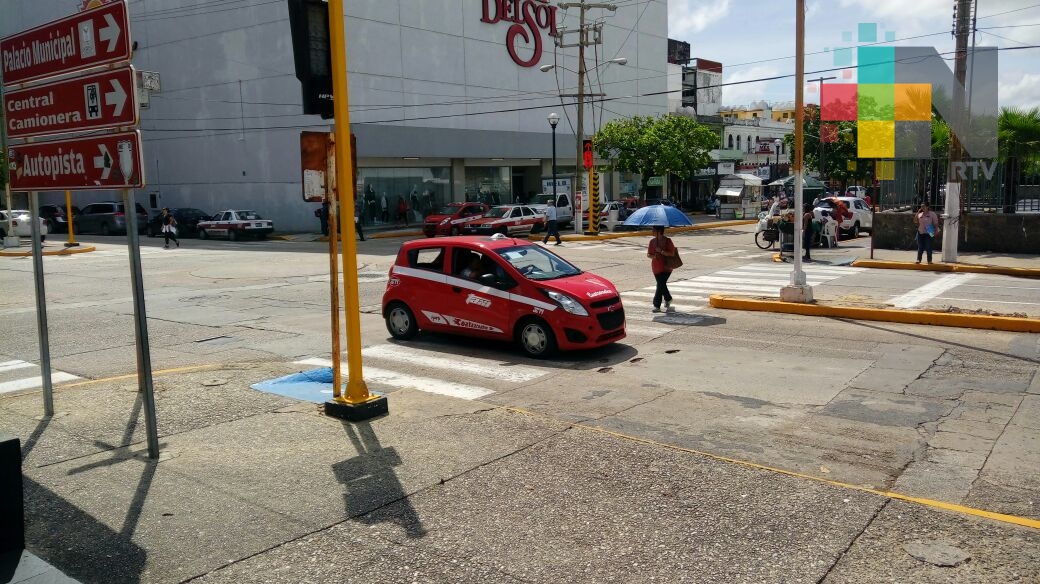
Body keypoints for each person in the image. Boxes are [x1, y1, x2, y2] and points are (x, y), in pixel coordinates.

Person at [647, 226, 676, 312]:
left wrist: (661, 251)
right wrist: (654, 256)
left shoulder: (668, 241)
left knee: (660, 285)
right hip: (656, 267)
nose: (652, 231)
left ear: (659, 231)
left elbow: (672, 253)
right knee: (660, 285)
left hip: (667, 267)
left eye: (653, 230)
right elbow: (648, 254)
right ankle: (668, 298)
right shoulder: (652, 242)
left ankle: (657, 305)